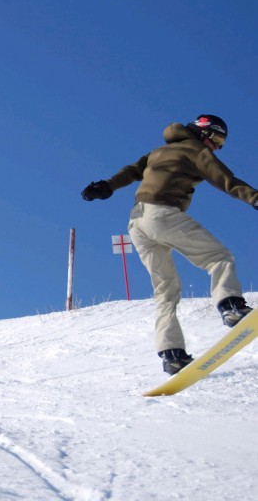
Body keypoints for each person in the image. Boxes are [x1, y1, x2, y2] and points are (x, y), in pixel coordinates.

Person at [81, 114, 257, 375]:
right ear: (204, 132)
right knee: (219, 257)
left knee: (166, 290)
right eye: (217, 139)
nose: (217, 147)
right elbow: (227, 181)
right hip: (161, 214)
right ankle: (231, 306)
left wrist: (108, 185)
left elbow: (133, 170)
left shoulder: (158, 152)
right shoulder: (197, 150)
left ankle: (172, 354)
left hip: (137, 223)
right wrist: (254, 198)